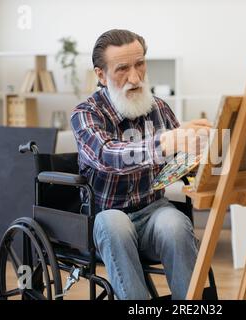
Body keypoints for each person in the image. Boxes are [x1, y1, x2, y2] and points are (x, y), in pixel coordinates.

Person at [70, 29, 212, 300]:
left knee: (176, 224)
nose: (135, 78)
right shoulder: (85, 114)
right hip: (107, 217)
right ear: (101, 75)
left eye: (140, 64)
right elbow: (108, 155)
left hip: (154, 211)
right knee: (114, 224)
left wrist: (203, 148)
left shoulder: (159, 107)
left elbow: (181, 162)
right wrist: (167, 142)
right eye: (122, 68)